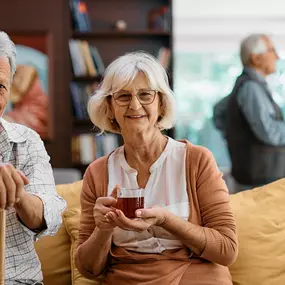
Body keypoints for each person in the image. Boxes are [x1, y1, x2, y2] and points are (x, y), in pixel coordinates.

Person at [75, 51, 238, 285]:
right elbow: (89, 269)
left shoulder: (196, 160)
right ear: (109, 107)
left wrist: (166, 220)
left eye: (145, 95)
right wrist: (103, 229)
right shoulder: (98, 172)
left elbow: (227, 249)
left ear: (161, 103)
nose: (134, 105)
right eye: (122, 96)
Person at [0, 31, 66, 284]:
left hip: (17, 280)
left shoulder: (27, 140)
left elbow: (46, 216)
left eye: (0, 86)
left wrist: (16, 193)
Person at [213, 33, 284, 191]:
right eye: (272, 50)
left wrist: (236, 135)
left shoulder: (245, 84)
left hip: (254, 178)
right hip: (261, 182)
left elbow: (218, 112)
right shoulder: (251, 88)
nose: (277, 57)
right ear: (256, 58)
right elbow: (270, 132)